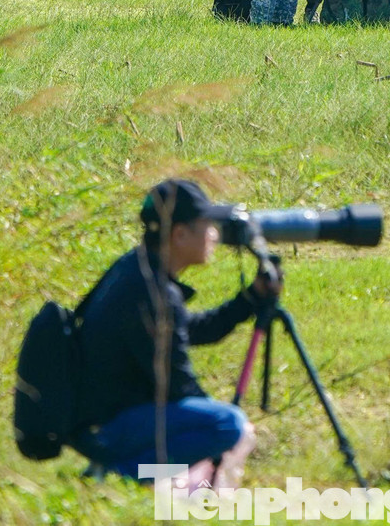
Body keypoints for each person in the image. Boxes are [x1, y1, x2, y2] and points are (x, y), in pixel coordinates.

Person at [73, 179, 282, 489]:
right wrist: (227, 428)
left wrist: (249, 300)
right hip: (112, 424)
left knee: (220, 423)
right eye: (207, 226)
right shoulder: (152, 291)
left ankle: (136, 471)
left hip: (106, 415)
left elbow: (191, 330)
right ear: (180, 235)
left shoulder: (137, 269)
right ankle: (120, 473)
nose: (214, 235)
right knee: (227, 425)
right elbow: (179, 386)